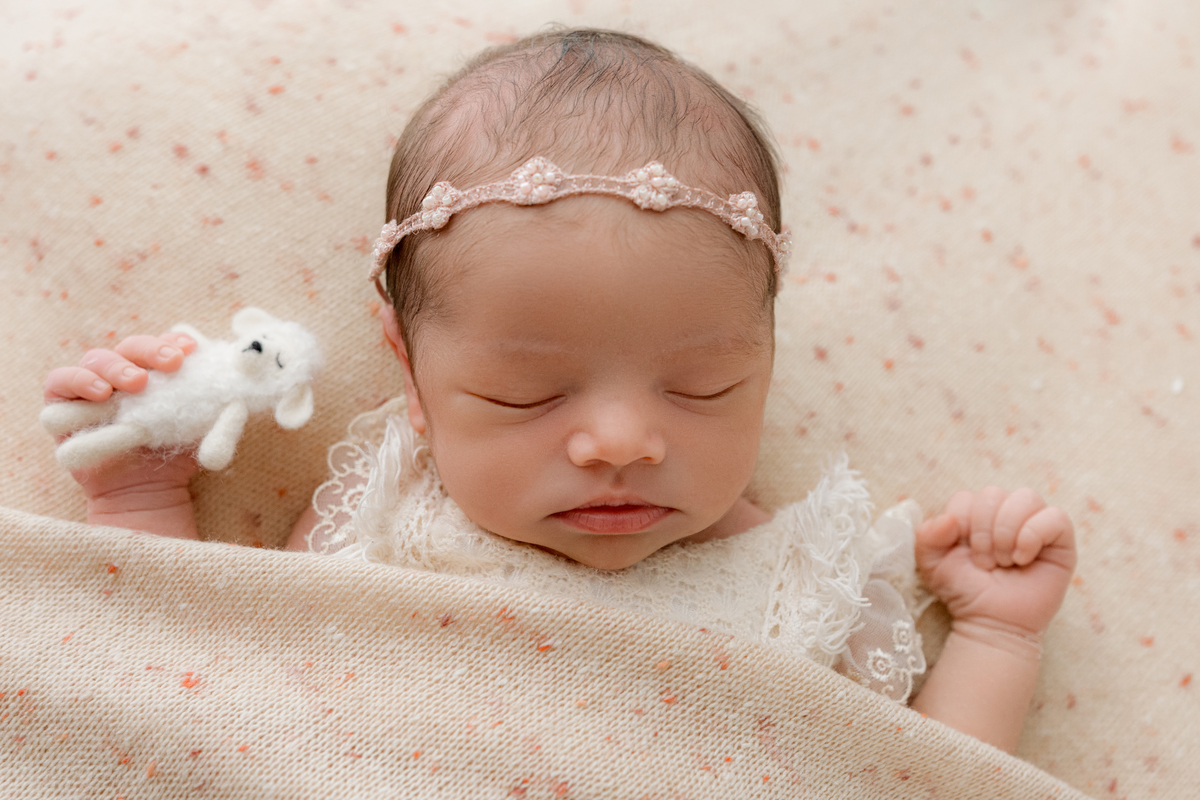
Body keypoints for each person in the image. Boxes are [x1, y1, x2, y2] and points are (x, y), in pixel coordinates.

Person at [42, 28, 1075, 754]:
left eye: (704, 384)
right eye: (527, 393)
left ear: (765, 357)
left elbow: (928, 778)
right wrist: (142, 499)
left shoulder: (809, 577)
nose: (621, 440)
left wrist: (995, 636)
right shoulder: (381, 514)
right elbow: (203, 706)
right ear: (409, 372)